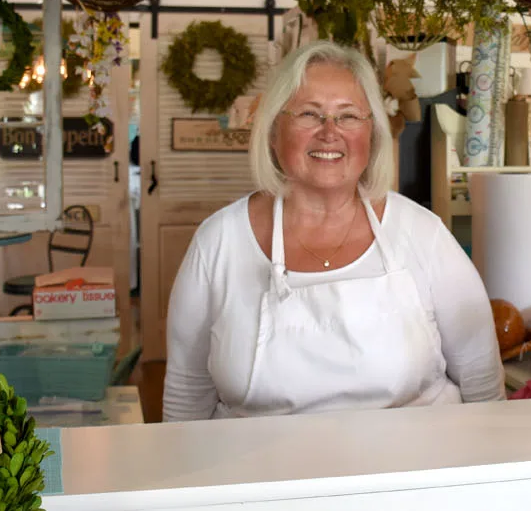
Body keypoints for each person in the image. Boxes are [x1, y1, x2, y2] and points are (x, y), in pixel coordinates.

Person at [164, 41, 504, 421]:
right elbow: (186, 394)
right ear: (274, 132)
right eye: (309, 114)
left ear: (371, 134)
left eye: (347, 116)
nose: (330, 133)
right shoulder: (219, 242)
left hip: (412, 476)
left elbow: (482, 381)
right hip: (262, 477)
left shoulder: (423, 234)